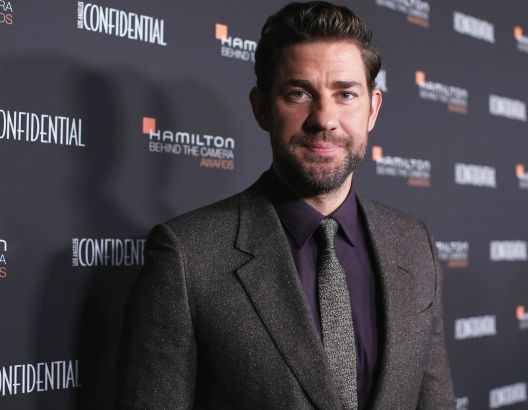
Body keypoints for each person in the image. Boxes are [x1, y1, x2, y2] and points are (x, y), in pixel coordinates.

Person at [115, 2, 455, 409]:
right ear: (261, 108)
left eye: (345, 94)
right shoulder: (187, 257)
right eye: (299, 93)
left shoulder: (415, 245)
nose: (324, 118)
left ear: (372, 109)